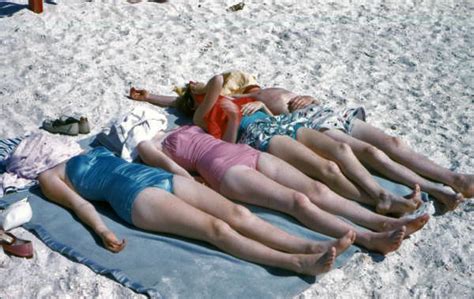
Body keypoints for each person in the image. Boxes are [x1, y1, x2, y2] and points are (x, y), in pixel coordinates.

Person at [9, 133, 352, 276]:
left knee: (238, 213)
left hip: (153, 178)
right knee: (216, 229)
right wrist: (101, 230)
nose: (46, 143)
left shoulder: (87, 149)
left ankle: (312, 245)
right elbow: (79, 206)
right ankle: (295, 262)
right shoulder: (48, 178)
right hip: (133, 199)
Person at [130, 73, 471, 211]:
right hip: (259, 136)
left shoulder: (241, 96)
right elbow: (203, 97)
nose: (193, 85)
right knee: (328, 168)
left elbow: (205, 90)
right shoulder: (207, 114)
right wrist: (228, 113)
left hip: (286, 121)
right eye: (192, 91)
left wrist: (149, 96)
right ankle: (378, 198)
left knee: (342, 153)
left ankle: (413, 190)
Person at [136, 124, 429, 254]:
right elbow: (172, 168)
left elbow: (220, 129)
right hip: (223, 171)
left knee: (317, 188)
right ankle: (367, 238)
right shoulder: (146, 145)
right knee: (296, 201)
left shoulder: (184, 123)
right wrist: (194, 181)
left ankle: (384, 220)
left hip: (241, 151)